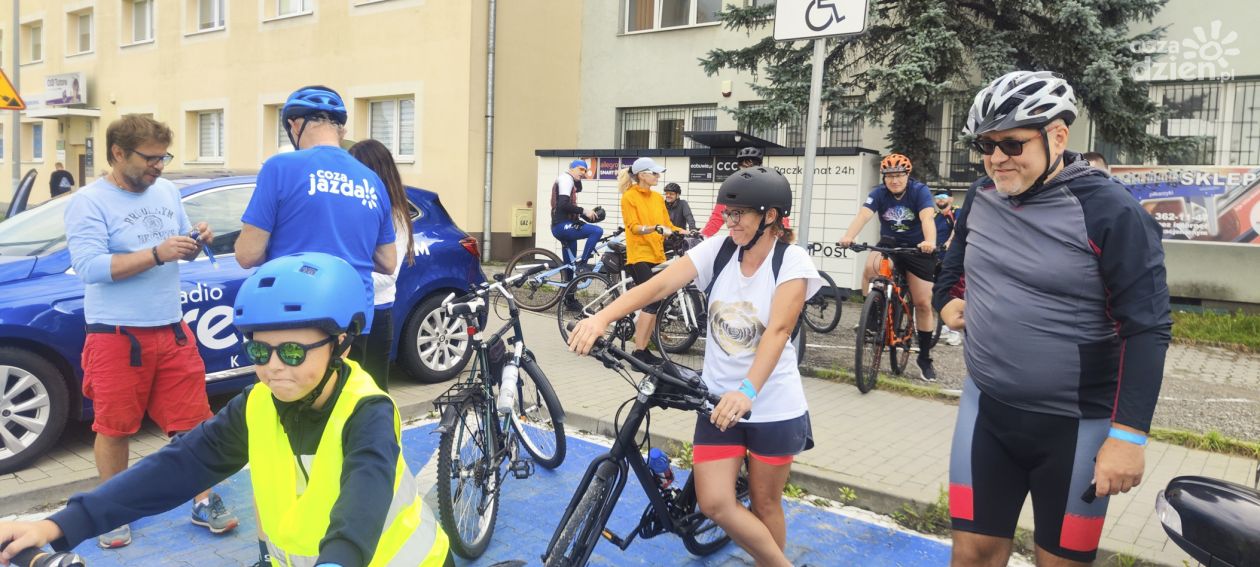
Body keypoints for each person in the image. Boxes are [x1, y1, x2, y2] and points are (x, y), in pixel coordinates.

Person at [0, 253, 453, 567]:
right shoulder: (257, 405)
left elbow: (363, 499)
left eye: (292, 352)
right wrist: (59, 525)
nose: (273, 368)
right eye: (259, 351)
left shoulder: (367, 410)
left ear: (341, 344)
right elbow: (179, 466)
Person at [934, 70, 1171, 567]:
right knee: (972, 555)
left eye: (1012, 144)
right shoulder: (981, 195)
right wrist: (944, 298)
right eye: (986, 145)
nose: (997, 158)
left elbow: (1147, 328)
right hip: (986, 411)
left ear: (1058, 137)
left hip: (1076, 427)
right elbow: (957, 255)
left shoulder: (1111, 211)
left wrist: (1129, 436)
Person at [568, 167, 819, 567]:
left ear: (770, 216)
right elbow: (658, 285)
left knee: (766, 503)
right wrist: (601, 318)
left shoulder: (791, 261)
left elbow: (779, 331)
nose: (729, 221)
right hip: (717, 402)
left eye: (739, 214)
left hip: (773, 405)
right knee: (715, 502)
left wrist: (747, 392)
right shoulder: (720, 250)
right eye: (728, 212)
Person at [59, 114, 238, 548]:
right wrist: (157, 253)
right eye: (151, 158)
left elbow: (177, 246)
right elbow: (90, 267)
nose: (159, 166)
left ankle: (203, 500)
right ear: (118, 153)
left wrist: (195, 241)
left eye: (164, 158)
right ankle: (110, 512)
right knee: (115, 427)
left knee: (195, 424)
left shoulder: (166, 191)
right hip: (116, 334)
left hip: (171, 328)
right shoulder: (89, 202)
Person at [236, 85, 397, 365]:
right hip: (353, 318)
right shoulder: (372, 180)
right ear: (340, 130)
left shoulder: (279, 168)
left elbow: (247, 255)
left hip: (292, 315)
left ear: (294, 125)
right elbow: (388, 262)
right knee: (348, 390)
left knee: (292, 392)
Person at [837, 153, 940, 380]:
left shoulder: (919, 191)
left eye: (899, 175)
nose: (894, 180)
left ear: (907, 175)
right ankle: (873, 316)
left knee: (923, 303)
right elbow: (863, 216)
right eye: (889, 176)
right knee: (870, 268)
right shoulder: (878, 194)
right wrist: (848, 236)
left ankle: (924, 358)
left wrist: (930, 242)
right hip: (890, 245)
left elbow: (927, 219)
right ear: (884, 177)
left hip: (918, 248)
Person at [348, 139, 418, 392]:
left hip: (377, 312)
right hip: (350, 310)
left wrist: (344, 281)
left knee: (374, 392)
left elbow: (389, 275)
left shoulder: (395, 216)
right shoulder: (355, 210)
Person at [618, 157, 684, 364]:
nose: (658, 176)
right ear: (641, 175)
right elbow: (633, 227)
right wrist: (653, 228)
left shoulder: (657, 198)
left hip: (657, 254)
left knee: (657, 299)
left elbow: (667, 225)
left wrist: (687, 232)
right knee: (652, 299)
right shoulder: (629, 197)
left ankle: (643, 348)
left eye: (658, 173)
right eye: (654, 173)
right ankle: (639, 353)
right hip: (639, 255)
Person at [550, 159, 604, 274]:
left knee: (570, 266)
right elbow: (563, 204)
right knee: (596, 231)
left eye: (585, 171)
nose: (583, 172)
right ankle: (583, 264)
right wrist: (584, 211)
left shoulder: (568, 179)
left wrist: (581, 214)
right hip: (562, 226)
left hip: (564, 225)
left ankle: (568, 285)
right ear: (571, 169)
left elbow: (579, 189)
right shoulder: (566, 179)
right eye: (580, 169)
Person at [702, 146, 764, 238]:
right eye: (744, 166)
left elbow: (780, 216)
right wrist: (704, 234)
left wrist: (782, 238)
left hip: (762, 239)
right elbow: (718, 216)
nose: (748, 170)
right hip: (738, 238)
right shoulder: (732, 187)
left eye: (751, 166)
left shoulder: (768, 186)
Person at [932, 192, 962, 346]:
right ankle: (944, 325)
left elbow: (958, 229)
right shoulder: (935, 216)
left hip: (954, 260)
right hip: (936, 258)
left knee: (954, 293)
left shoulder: (957, 212)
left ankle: (955, 332)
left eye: (943, 196)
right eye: (937, 197)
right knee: (938, 292)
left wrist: (950, 242)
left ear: (951, 199)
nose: (940, 199)